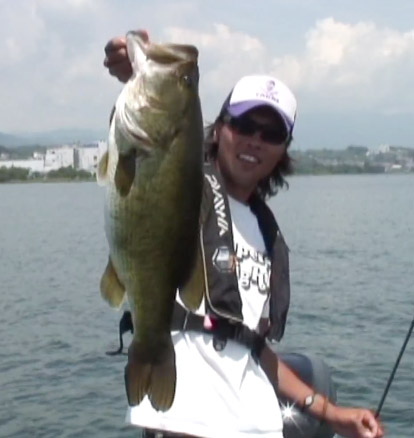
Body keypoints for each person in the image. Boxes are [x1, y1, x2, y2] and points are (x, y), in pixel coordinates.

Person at [103, 31, 384, 438]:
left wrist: (329, 412)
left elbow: (250, 344)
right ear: (218, 129)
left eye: (271, 134)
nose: (255, 140)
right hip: (186, 419)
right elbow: (145, 144)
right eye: (245, 125)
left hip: (257, 424)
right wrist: (134, 73)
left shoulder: (267, 234)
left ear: (284, 149)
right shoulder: (189, 190)